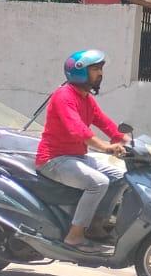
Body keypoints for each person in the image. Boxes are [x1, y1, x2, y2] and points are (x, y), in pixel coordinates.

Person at [36, 50, 127, 249]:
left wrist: (125, 140)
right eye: (95, 69)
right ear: (79, 73)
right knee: (98, 183)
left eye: (101, 69)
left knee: (121, 175)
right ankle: (75, 235)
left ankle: (95, 224)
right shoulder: (64, 96)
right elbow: (77, 130)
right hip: (54, 159)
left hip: (76, 157)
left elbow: (105, 122)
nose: (100, 73)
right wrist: (105, 146)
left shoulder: (86, 98)